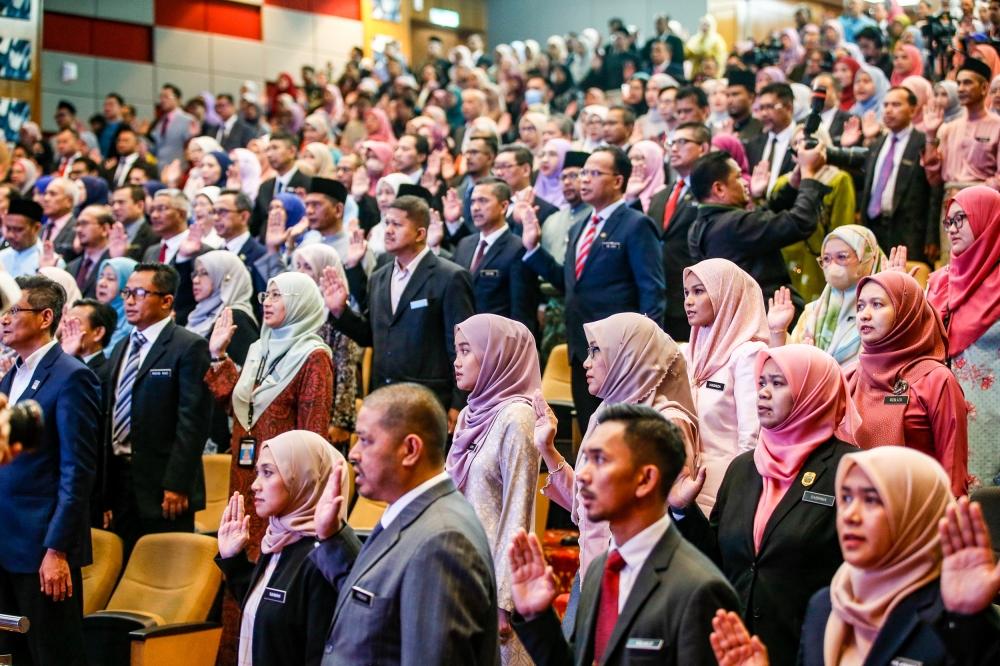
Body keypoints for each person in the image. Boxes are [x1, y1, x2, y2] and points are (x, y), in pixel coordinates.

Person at [710, 448, 1000, 666]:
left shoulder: (953, 614)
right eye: (846, 497)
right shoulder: (825, 604)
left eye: (872, 499)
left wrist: (969, 621)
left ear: (916, 513)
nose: (851, 515)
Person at [670, 344, 857, 666]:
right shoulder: (744, 467)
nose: (763, 393)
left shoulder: (851, 469)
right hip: (737, 649)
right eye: (761, 383)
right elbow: (716, 559)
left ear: (813, 393)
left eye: (778, 383)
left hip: (811, 647)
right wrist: (683, 511)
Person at [510, 404, 739, 666]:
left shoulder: (698, 588)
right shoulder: (600, 570)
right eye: (586, 460)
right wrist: (537, 617)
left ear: (645, 479)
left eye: (600, 460)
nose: (583, 475)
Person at [310, 382, 501, 665]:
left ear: (410, 449)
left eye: (365, 440)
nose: (353, 454)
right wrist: (333, 537)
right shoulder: (417, 513)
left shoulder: (442, 541)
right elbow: (378, 603)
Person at [206, 271, 334, 665]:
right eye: (267, 292)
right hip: (244, 483)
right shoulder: (260, 349)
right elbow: (237, 408)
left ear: (299, 302)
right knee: (237, 591)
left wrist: (294, 497)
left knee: (270, 603)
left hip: (283, 494)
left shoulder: (315, 356)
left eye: (279, 294)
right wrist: (218, 357)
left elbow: (313, 439)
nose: (268, 300)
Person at [534, 313, 699, 591]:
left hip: (638, 582)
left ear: (627, 356)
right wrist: (547, 449)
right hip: (593, 572)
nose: (586, 362)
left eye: (596, 350)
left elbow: (673, 522)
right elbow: (585, 506)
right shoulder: (603, 414)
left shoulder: (666, 422)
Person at [521, 147, 666, 431]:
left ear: (618, 181)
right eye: (583, 173)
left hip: (621, 351)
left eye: (594, 173)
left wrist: (646, 349)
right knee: (591, 429)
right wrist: (533, 248)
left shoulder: (636, 225)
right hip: (582, 348)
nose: (584, 180)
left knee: (621, 433)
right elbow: (569, 283)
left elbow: (652, 291)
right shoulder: (580, 226)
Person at [0, 276, 101, 666]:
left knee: (52, 654)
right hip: (7, 542)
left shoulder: (72, 376)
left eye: (13, 311)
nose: (4, 319)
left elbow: (78, 471)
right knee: (12, 655)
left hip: (41, 547)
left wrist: (57, 549)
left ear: (45, 317)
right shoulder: (13, 375)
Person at [323, 195, 474, 430]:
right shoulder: (379, 277)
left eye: (398, 224)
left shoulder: (450, 276)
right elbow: (371, 336)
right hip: (383, 395)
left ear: (420, 233)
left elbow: (462, 346)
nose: (389, 230)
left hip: (429, 400)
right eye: (387, 223)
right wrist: (340, 311)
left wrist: (459, 402)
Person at [215, 431, 355, 666]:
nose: (255, 485)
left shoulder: (322, 559)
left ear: (304, 478)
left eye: (268, 473)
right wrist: (233, 560)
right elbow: (268, 614)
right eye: (258, 472)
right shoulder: (277, 539)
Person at [448, 314, 542, 666]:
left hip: (494, 581)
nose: (456, 362)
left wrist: (505, 600)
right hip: (459, 566)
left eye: (466, 351)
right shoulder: (469, 414)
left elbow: (520, 510)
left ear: (496, 356)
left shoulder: (518, 418)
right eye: (456, 351)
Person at [104, 262, 211, 555]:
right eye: (127, 292)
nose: (128, 300)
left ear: (166, 301)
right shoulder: (122, 345)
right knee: (123, 568)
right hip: (120, 480)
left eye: (139, 293)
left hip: (163, 484)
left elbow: (193, 423)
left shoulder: (189, 347)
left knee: (162, 567)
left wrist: (177, 483)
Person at [846, 271, 968, 497]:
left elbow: (953, 471)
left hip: (918, 517)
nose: (865, 314)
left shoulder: (936, 380)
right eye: (860, 306)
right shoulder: (849, 376)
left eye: (877, 304)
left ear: (906, 311)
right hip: (855, 516)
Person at [688, 145, 827, 323]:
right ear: (719, 189)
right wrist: (808, 174)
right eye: (738, 177)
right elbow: (801, 222)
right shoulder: (735, 225)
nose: (746, 182)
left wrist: (792, 187)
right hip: (771, 319)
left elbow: (760, 217)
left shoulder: (698, 227)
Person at [680, 259, 768, 515]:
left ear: (726, 295)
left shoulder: (748, 354)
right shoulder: (687, 353)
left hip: (726, 492)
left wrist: (742, 495)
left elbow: (751, 438)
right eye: (686, 292)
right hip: (683, 489)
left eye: (699, 291)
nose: (688, 301)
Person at [928, 186, 1000, 488]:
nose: (952, 229)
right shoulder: (939, 280)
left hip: (990, 417)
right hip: (940, 408)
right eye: (949, 222)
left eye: (961, 219)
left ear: (988, 220)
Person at [770, 226, 886, 370]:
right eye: (826, 258)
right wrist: (778, 332)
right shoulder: (812, 313)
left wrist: (899, 302)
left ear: (867, 258)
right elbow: (790, 372)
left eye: (842, 257)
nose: (832, 265)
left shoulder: (885, 311)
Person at [922, 58, 1000, 260]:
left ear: (984, 88)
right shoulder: (949, 128)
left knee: (981, 266)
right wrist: (930, 135)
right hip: (949, 205)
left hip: (984, 208)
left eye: (968, 83)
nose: (961, 88)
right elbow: (934, 179)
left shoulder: (997, 126)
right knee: (952, 266)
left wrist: (968, 196)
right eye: (959, 83)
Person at [289, 243, 360, 451]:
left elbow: (345, 371)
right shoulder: (292, 312)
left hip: (326, 415)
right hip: (294, 411)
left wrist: (341, 422)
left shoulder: (337, 314)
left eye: (308, 267)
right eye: (298, 265)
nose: (301, 273)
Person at [452, 177, 540, 338]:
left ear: (504, 206)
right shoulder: (464, 244)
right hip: (463, 339)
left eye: (483, 201)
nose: (475, 208)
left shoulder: (518, 248)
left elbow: (521, 310)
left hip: (498, 342)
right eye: (472, 202)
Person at [648, 123, 712, 341]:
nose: (674, 148)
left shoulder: (709, 192)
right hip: (659, 300)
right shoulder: (659, 196)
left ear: (703, 148)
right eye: (671, 143)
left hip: (693, 297)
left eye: (682, 142)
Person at [188, 250, 258, 447]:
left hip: (218, 423)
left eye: (205, 273)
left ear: (226, 278)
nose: (196, 280)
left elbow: (242, 379)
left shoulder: (236, 319)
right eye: (196, 274)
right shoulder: (200, 316)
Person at [143, 188, 208, 326]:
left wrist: (183, 259)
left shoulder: (202, 251)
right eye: (152, 209)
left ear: (181, 213)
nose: (154, 215)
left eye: (162, 209)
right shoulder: (151, 251)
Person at [250, 132, 311, 237]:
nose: (269, 154)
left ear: (292, 152)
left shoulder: (308, 184)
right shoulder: (265, 187)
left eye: (275, 148)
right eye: (268, 150)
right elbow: (255, 224)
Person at [494, 143, 559, 235]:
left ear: (526, 170)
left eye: (505, 166)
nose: (498, 173)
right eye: (496, 167)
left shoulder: (546, 210)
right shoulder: (493, 205)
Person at [0, 199, 62, 277]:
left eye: (18, 229)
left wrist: (47, 272)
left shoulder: (53, 262)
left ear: (36, 228)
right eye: (8, 228)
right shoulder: (2, 257)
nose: (10, 235)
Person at [64, 205, 112, 299]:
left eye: (84, 223)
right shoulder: (71, 266)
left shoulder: (112, 264)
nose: (78, 230)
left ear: (105, 229)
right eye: (77, 225)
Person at [95, 257, 137, 354]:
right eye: (101, 277)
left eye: (110, 279)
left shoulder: (133, 323)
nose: (102, 283)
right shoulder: (93, 315)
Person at [150, 84, 196, 174]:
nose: (162, 100)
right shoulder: (160, 122)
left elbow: (191, 146)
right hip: (161, 170)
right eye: (161, 97)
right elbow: (158, 149)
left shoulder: (188, 120)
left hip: (179, 170)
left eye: (166, 96)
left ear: (178, 99)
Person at [109, 185, 160, 262]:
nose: (115, 207)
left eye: (121, 202)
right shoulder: (112, 234)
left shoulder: (154, 237)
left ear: (140, 206)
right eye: (113, 203)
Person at [40, 176, 80, 263]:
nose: (46, 198)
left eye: (53, 194)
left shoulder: (77, 230)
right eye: (45, 193)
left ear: (69, 201)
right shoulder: (41, 228)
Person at [624, 140, 666, 214]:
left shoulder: (664, 195)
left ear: (654, 162)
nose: (632, 163)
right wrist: (630, 196)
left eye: (638, 158)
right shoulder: (623, 194)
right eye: (630, 159)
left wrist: (633, 200)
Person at [724, 69, 764, 141]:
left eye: (735, 94)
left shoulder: (761, 129)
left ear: (751, 97)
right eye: (727, 95)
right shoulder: (723, 129)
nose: (730, 101)